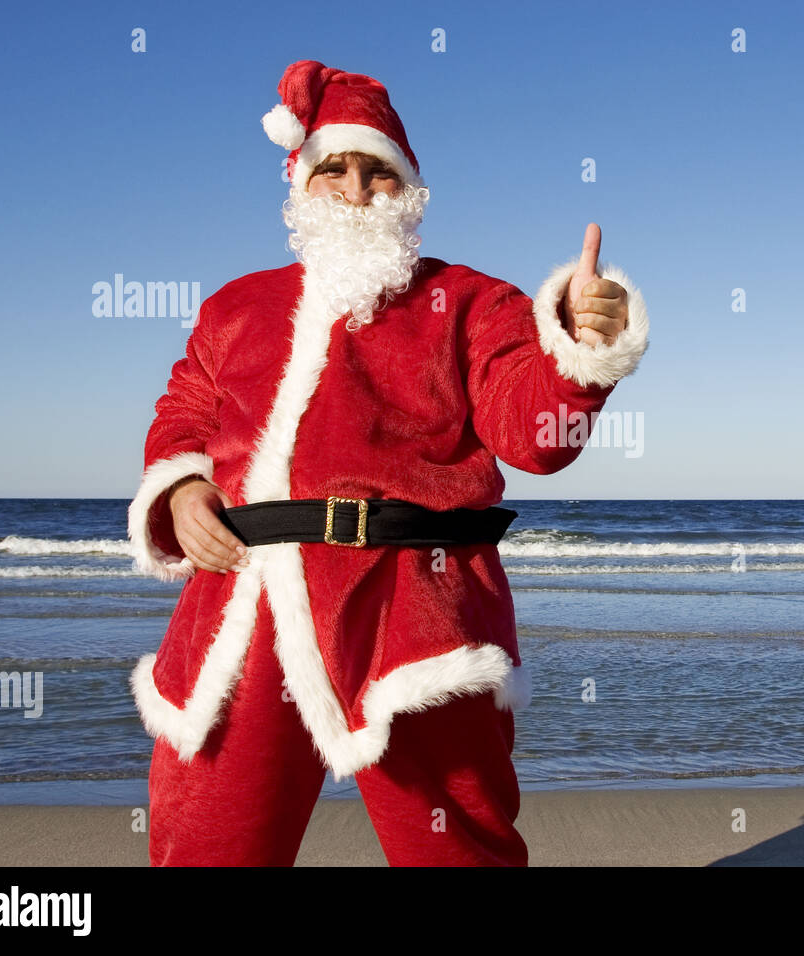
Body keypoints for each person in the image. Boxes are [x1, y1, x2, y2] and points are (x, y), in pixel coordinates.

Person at [125, 59, 649, 866]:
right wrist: (184, 488)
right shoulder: (236, 307)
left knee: (456, 849)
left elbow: (535, 437)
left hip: (416, 604)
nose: (357, 189)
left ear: (408, 191)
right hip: (243, 600)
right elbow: (184, 414)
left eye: (379, 172)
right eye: (335, 168)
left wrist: (579, 344)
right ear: (302, 182)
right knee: (207, 845)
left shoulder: (473, 302)